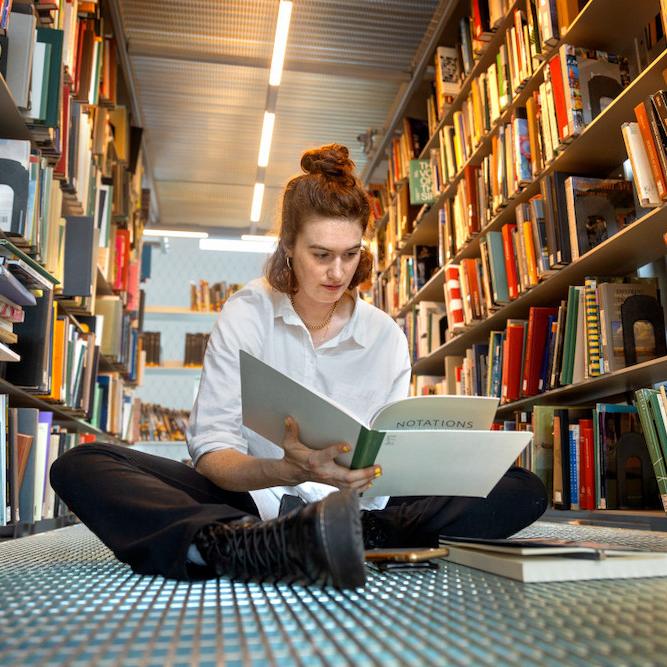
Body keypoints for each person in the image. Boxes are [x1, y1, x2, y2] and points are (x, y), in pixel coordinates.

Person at [50, 144, 547, 590]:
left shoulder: (385, 337)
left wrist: (386, 470)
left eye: (351, 255)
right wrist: (285, 469)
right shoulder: (247, 312)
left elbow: (389, 451)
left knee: (521, 486)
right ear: (288, 245)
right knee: (84, 465)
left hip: (363, 509)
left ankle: (348, 534)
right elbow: (211, 452)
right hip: (255, 505)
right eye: (321, 255)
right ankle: (254, 543)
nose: (338, 273)